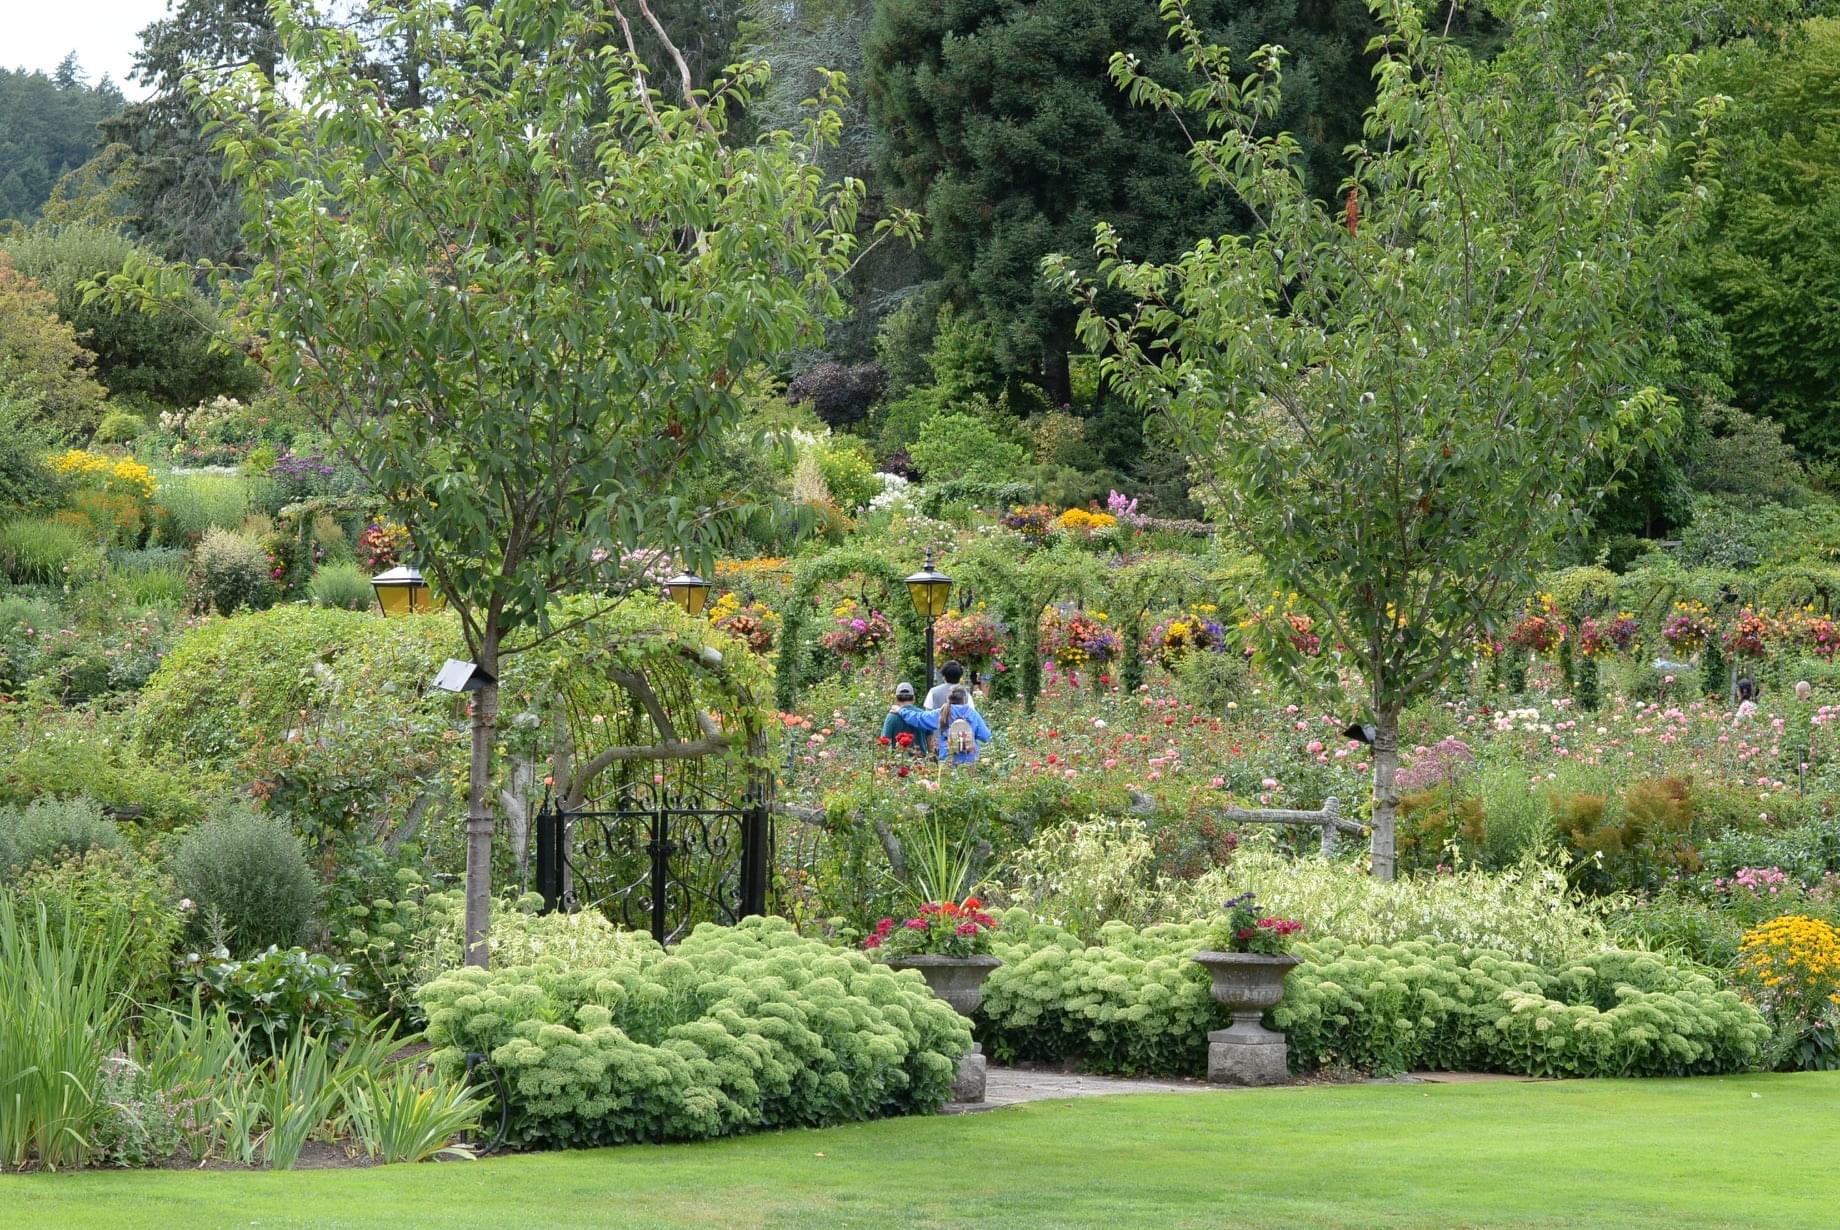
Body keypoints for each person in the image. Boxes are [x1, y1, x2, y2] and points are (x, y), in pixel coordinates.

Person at [902, 686, 991, 766]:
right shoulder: (973, 714)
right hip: (970, 761)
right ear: (965, 699)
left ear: (948, 698)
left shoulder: (943, 712)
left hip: (948, 760)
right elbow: (986, 736)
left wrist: (901, 711)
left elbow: (919, 718)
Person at [880, 682, 930, 753]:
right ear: (914, 698)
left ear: (896, 699)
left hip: (898, 761)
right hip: (921, 760)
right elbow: (930, 740)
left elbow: (884, 742)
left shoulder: (891, 716)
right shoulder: (923, 715)